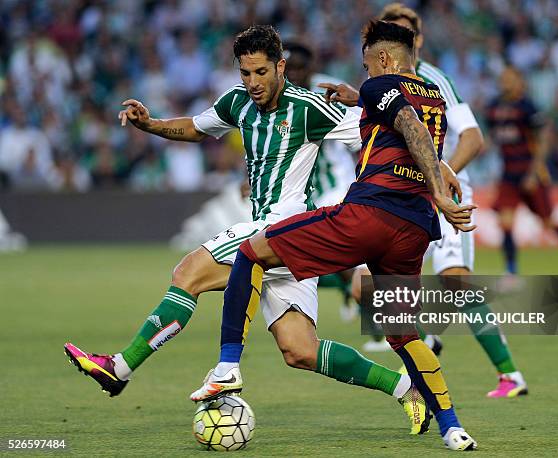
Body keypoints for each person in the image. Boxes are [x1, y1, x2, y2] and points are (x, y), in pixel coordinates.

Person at [63, 25, 430, 433]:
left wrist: (438, 171)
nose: (253, 82)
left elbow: (380, 127)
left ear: (281, 67)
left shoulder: (309, 107)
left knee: (189, 273)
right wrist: (150, 124)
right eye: (246, 73)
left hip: (282, 227)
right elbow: (196, 129)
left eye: (261, 72)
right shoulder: (237, 103)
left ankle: (120, 367)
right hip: (282, 243)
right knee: (300, 351)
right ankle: (406, 387)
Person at [193, 21, 477, 451]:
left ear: (383, 60)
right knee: (405, 335)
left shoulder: (380, 86)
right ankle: (452, 426)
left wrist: (440, 190)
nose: (364, 76)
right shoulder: (431, 96)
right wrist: (438, 183)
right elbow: (412, 133)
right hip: (414, 229)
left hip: (371, 214)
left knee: (252, 252)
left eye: (366, 68)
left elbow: (408, 128)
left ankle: (228, 365)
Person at [321, 3, 529, 398]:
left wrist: (439, 173)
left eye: (402, 34)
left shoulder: (434, 79)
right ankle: (425, 347)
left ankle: (509, 374)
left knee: (455, 282)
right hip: (406, 195)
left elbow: (473, 137)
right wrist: (354, 98)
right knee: (376, 286)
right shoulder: (384, 80)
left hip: (441, 190)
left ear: (416, 41)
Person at [486, 66, 558, 276]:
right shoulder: (493, 107)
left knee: (548, 222)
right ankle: (511, 272)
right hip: (508, 175)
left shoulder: (527, 107)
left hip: (531, 173)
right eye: (503, 78)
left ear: (519, 81)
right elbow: (495, 138)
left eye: (509, 78)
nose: (505, 82)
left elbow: (543, 141)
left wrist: (533, 172)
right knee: (505, 222)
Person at [284, 41, 360, 325]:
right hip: (303, 192)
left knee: (346, 258)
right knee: (300, 258)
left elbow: (361, 130)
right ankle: (350, 292)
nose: (293, 75)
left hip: (337, 185)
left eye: (299, 69)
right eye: (288, 69)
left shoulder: (328, 92)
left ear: (311, 68)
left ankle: (388, 327)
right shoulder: (277, 96)